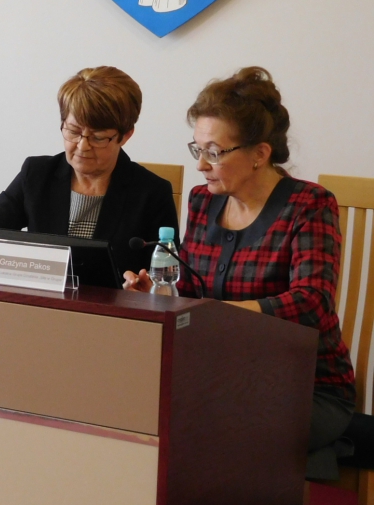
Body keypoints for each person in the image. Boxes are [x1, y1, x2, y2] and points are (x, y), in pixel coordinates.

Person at [124, 67, 355, 479]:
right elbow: (191, 290)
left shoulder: (310, 204)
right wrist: (159, 292)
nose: (200, 165)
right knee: (130, 403)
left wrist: (221, 314)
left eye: (214, 152)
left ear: (259, 154)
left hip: (306, 386)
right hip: (219, 377)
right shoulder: (202, 201)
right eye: (197, 149)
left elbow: (312, 303)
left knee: (206, 427)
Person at [0, 66, 178, 276]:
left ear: (126, 136)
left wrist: (145, 286)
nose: (82, 146)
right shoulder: (37, 174)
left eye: (98, 137)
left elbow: (168, 276)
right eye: (73, 131)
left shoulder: (152, 193)